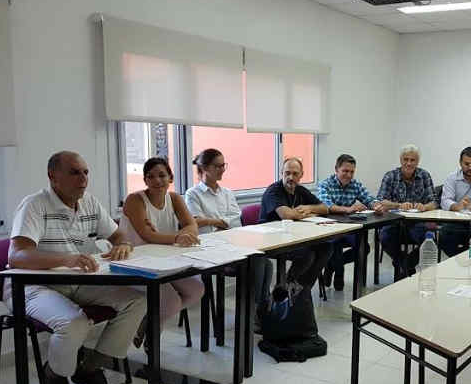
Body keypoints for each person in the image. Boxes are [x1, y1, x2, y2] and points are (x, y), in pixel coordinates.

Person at [5, 151, 147, 384]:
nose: (83, 178)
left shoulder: (89, 203)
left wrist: (122, 245)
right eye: (74, 172)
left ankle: (90, 368)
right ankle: (55, 375)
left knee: (137, 300)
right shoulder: (35, 205)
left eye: (85, 172)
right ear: (53, 176)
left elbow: (118, 235)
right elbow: (17, 256)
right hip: (33, 285)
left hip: (78, 280)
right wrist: (66, 259)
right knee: (74, 323)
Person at [120, 157, 204, 347]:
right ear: (145, 181)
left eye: (161, 175)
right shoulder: (135, 200)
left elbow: (191, 224)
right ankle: (153, 336)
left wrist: (187, 233)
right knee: (171, 302)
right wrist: (178, 237)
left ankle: (149, 322)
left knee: (196, 289)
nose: (157, 181)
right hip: (135, 262)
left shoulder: (174, 198)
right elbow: (147, 235)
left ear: (170, 178)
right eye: (150, 176)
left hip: (164, 260)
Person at [185, 148, 274, 318]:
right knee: (257, 263)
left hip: (231, 242)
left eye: (223, 165)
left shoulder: (226, 193)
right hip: (208, 248)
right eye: (217, 166)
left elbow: (236, 219)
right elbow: (196, 222)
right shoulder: (193, 194)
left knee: (265, 262)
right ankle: (253, 312)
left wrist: (212, 221)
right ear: (204, 168)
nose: (222, 170)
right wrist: (220, 222)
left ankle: (259, 308)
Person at [260, 157, 332, 293]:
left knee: (327, 247)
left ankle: (301, 287)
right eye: (287, 173)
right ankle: (288, 286)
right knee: (306, 254)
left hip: (294, 236)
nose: (290, 177)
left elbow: (324, 208)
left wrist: (309, 208)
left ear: (301, 175)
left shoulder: (300, 190)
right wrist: (309, 214)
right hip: (272, 239)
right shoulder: (274, 191)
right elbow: (286, 215)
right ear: (281, 172)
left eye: (295, 174)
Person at [317, 154, 378, 291]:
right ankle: (339, 275)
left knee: (364, 247)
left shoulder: (355, 184)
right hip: (329, 228)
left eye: (351, 172)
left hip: (349, 227)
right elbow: (326, 206)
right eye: (345, 171)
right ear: (336, 169)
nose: (349, 175)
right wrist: (348, 209)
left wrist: (376, 205)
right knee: (336, 244)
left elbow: (369, 198)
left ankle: (331, 266)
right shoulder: (325, 184)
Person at [376, 144, 437, 280]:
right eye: (406, 159)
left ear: (417, 161)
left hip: (417, 222)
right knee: (384, 238)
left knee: (430, 240)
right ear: (400, 160)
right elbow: (380, 201)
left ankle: (405, 265)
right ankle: (403, 263)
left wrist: (425, 207)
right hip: (394, 222)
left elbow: (434, 202)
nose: (409, 163)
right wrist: (398, 205)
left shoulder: (424, 175)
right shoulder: (390, 176)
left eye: (412, 160)